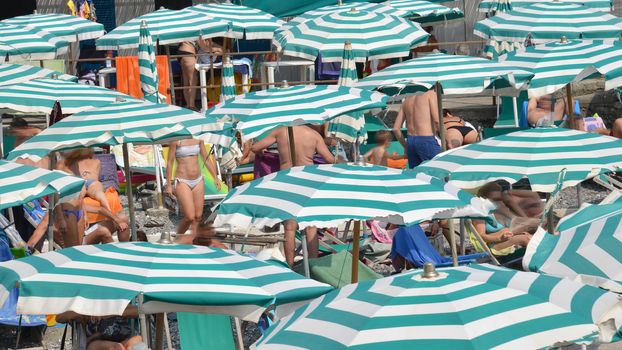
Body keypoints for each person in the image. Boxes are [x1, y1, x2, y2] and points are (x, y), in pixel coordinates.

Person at [251, 126, 336, 266]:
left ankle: (290, 266)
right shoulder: (313, 135)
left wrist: (262, 151)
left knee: (289, 228)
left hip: (287, 180)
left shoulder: (281, 131)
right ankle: (313, 266)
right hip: (308, 181)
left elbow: (255, 148)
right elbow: (329, 159)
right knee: (310, 227)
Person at [60, 149, 130, 245]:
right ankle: (117, 255)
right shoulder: (60, 208)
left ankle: (124, 251)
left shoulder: (76, 200)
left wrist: (116, 219)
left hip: (82, 217)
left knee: (124, 219)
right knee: (104, 231)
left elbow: (99, 209)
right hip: (80, 240)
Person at [166, 139, 222, 242]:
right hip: (182, 180)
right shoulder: (176, 140)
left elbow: (206, 158)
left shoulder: (198, 138)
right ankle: (176, 241)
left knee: (198, 216)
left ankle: (195, 241)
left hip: (198, 179)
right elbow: (170, 162)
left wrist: (215, 177)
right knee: (190, 216)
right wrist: (169, 184)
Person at [393, 89, 442, 169]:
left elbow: (396, 129)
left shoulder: (407, 100)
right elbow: (437, 121)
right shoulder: (431, 94)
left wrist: (406, 146)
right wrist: (447, 138)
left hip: (411, 141)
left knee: (417, 176)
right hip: (426, 140)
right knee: (438, 171)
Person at [56, 305, 144, 350]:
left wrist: (108, 312)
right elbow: (59, 318)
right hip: (99, 343)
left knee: (136, 340)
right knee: (116, 347)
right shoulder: (84, 310)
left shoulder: (112, 303)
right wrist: (88, 311)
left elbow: (139, 311)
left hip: (124, 337)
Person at [178, 38, 223, 110]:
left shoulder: (193, 31)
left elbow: (210, 43)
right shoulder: (198, 31)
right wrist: (218, 50)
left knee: (186, 81)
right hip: (189, 53)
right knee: (193, 80)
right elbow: (205, 48)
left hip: (182, 51)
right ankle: (191, 106)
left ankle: (189, 105)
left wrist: (220, 48)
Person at [477, 181, 543, 226]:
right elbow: (520, 221)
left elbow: (535, 195)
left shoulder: (504, 205)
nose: (500, 202)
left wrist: (508, 193)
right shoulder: (487, 211)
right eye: (496, 200)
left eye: (500, 199)